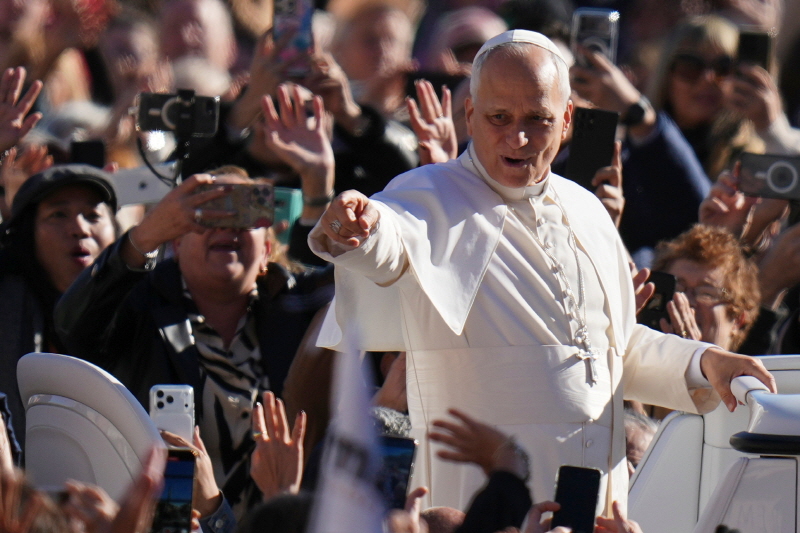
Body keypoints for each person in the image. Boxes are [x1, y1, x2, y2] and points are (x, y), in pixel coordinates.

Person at [307, 30, 775, 511]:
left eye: (538, 119)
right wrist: (357, 231)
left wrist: (704, 362)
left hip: (595, 504)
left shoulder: (588, 210)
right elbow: (390, 242)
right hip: (482, 507)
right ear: (470, 115)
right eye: (499, 118)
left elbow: (615, 353)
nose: (519, 137)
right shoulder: (426, 196)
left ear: (567, 119)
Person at [54, 165, 334, 514]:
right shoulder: (139, 309)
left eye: (243, 213)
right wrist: (144, 236)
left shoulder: (300, 309)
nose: (226, 227)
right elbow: (72, 324)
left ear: (266, 248)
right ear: (176, 241)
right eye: (208, 214)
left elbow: (365, 276)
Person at [0, 164, 117, 448]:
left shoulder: (144, 306)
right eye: (58, 215)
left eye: (93, 215)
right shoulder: (6, 301)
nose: (79, 229)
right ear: (28, 233)